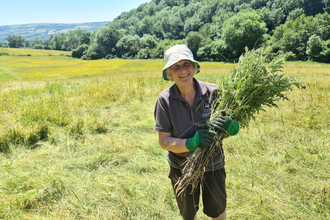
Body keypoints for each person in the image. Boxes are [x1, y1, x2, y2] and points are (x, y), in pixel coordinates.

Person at [154, 44, 239, 220]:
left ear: (194, 67)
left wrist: (231, 128)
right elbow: (163, 141)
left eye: (186, 64)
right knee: (188, 214)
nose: (182, 70)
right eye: (176, 66)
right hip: (181, 166)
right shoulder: (165, 100)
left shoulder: (214, 92)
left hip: (213, 164)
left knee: (218, 211)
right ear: (169, 73)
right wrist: (190, 143)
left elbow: (222, 131)